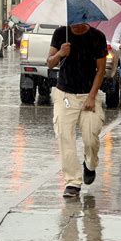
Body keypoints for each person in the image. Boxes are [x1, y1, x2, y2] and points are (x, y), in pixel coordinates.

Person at [47, 23, 107, 198]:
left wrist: (91, 96)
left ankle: (90, 163)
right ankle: (72, 182)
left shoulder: (97, 36)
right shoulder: (60, 33)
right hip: (64, 94)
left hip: (89, 94)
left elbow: (101, 69)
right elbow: (50, 63)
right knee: (65, 136)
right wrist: (60, 53)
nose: (75, 23)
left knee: (90, 137)